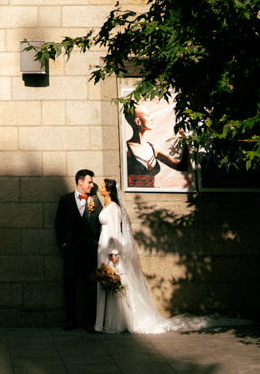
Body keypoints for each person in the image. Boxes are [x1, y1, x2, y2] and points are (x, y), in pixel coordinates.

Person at [94, 176, 175, 334]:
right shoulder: (107, 206)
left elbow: (115, 231)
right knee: (105, 281)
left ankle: (116, 320)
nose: (100, 188)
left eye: (103, 186)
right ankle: (103, 320)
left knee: (112, 281)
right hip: (103, 245)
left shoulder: (114, 209)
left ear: (108, 191)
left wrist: (114, 252)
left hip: (110, 247)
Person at [54, 168, 101, 332]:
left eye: (92, 181)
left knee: (90, 285)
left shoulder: (95, 200)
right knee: (69, 283)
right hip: (72, 250)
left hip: (90, 250)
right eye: (89, 181)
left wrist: (98, 244)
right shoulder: (65, 200)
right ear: (80, 182)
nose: (92, 185)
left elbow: (99, 223)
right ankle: (70, 318)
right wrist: (64, 245)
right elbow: (58, 226)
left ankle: (90, 321)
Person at [125, 105, 188, 186]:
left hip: (152, 196)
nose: (152, 119)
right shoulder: (126, 149)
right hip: (134, 196)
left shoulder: (153, 149)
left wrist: (186, 142)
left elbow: (182, 166)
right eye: (147, 116)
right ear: (138, 121)